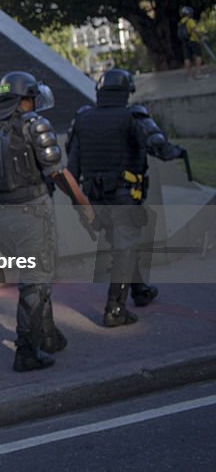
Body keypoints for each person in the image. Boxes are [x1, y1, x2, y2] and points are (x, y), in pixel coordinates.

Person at [0, 72, 94, 372]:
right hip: (32, 211)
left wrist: (5, 183)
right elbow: (57, 172)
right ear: (26, 98)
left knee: (34, 276)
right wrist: (83, 204)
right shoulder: (34, 124)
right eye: (32, 98)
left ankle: (47, 334)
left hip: (0, 213)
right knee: (36, 280)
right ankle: (26, 351)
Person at [66, 68, 186, 327]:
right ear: (125, 91)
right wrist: (179, 152)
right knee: (125, 248)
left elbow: (72, 167)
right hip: (123, 195)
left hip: (94, 198)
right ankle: (115, 309)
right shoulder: (134, 115)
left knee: (122, 245)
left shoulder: (82, 119)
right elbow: (161, 148)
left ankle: (139, 290)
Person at [178, 6, 210, 80]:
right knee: (198, 55)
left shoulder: (180, 22)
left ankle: (190, 76)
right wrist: (201, 36)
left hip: (185, 42)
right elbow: (194, 30)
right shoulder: (190, 21)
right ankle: (199, 73)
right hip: (193, 40)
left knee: (187, 58)